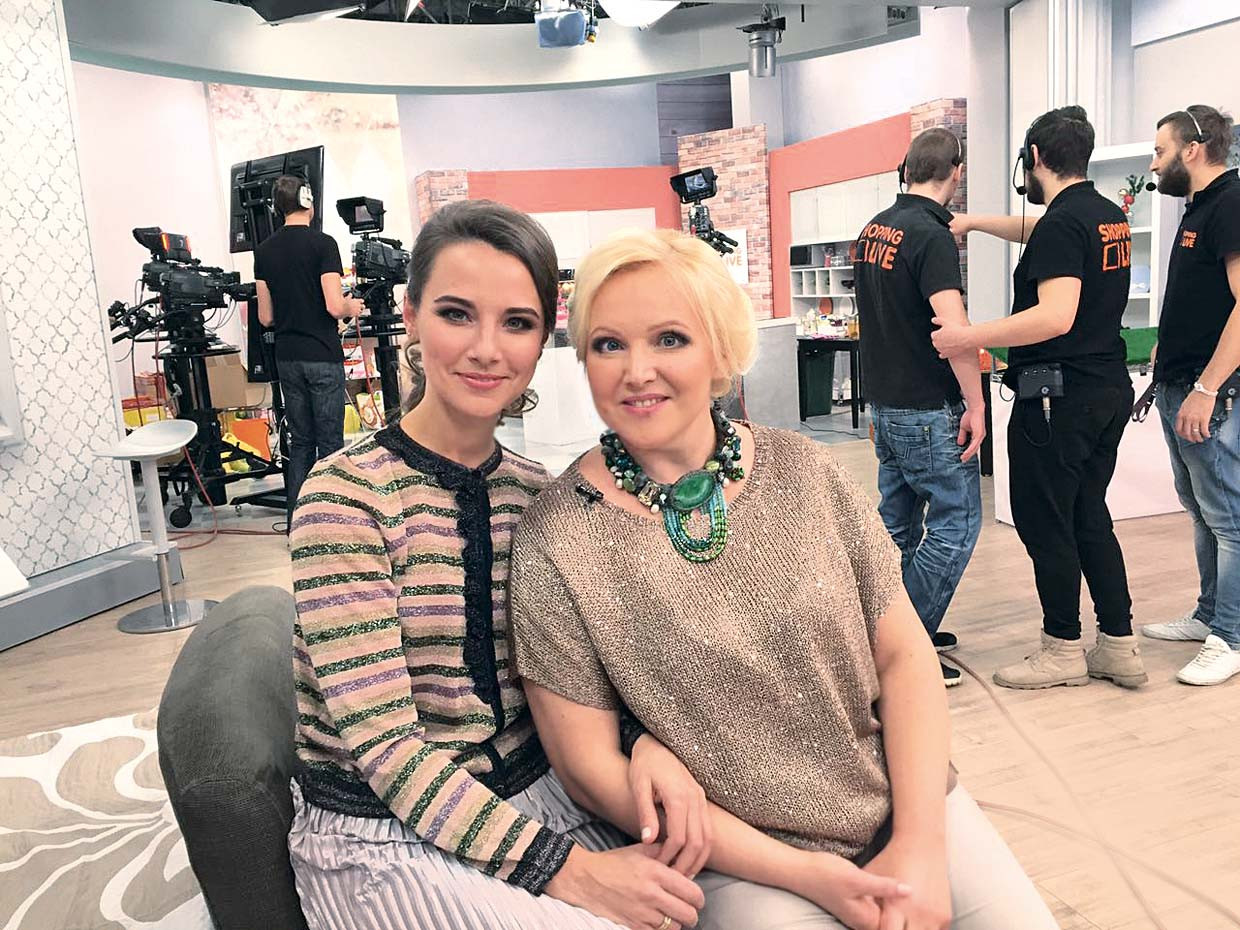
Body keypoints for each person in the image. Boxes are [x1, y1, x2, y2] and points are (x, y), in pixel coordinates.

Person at [509, 227, 1059, 930]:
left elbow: (904, 657)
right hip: (737, 858)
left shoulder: (805, 473)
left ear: (720, 352)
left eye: (670, 339)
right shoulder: (557, 537)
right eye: (608, 344)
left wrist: (921, 844)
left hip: (903, 802)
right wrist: (810, 875)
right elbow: (589, 770)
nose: (636, 371)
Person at [286, 200, 708, 930]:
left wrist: (645, 747)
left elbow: (589, 679)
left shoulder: (539, 493)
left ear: (544, 340)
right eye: (457, 314)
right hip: (384, 830)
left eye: (516, 323)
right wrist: (573, 874)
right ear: (412, 317)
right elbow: (387, 749)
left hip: (541, 797)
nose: (486, 349)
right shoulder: (344, 497)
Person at [935, 106, 1148, 691]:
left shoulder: (1062, 225)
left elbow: (1055, 316)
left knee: (1045, 520)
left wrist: (969, 337)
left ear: (1034, 157)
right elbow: (1040, 232)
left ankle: (1061, 648)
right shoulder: (1104, 215)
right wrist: (974, 222)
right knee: (1088, 515)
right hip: (1106, 389)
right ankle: (1119, 645)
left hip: (1060, 398)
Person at [854, 127, 985, 688]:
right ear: (956, 172)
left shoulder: (873, 229)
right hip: (930, 410)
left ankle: (881, 636)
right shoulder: (932, 236)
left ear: (905, 169)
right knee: (957, 523)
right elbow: (954, 331)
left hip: (886, 407)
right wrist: (976, 402)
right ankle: (903, 650)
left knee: (896, 528)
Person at [1140, 105, 1240, 686]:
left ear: (1193, 149)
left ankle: (1232, 634)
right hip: (1179, 385)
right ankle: (1210, 614)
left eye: (1160, 151)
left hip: (1211, 393)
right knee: (1202, 509)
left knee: (1229, 515)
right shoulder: (1199, 207)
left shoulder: (1231, 204)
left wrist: (1207, 387)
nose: (1156, 163)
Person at [254, 174, 364, 529]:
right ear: (308, 201)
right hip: (321, 354)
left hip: (287, 357)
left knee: (300, 442)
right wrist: (352, 307)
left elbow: (265, 317)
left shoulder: (264, 251)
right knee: (330, 442)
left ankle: (299, 525)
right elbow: (334, 305)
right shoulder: (323, 244)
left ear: (277, 207)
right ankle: (333, 526)